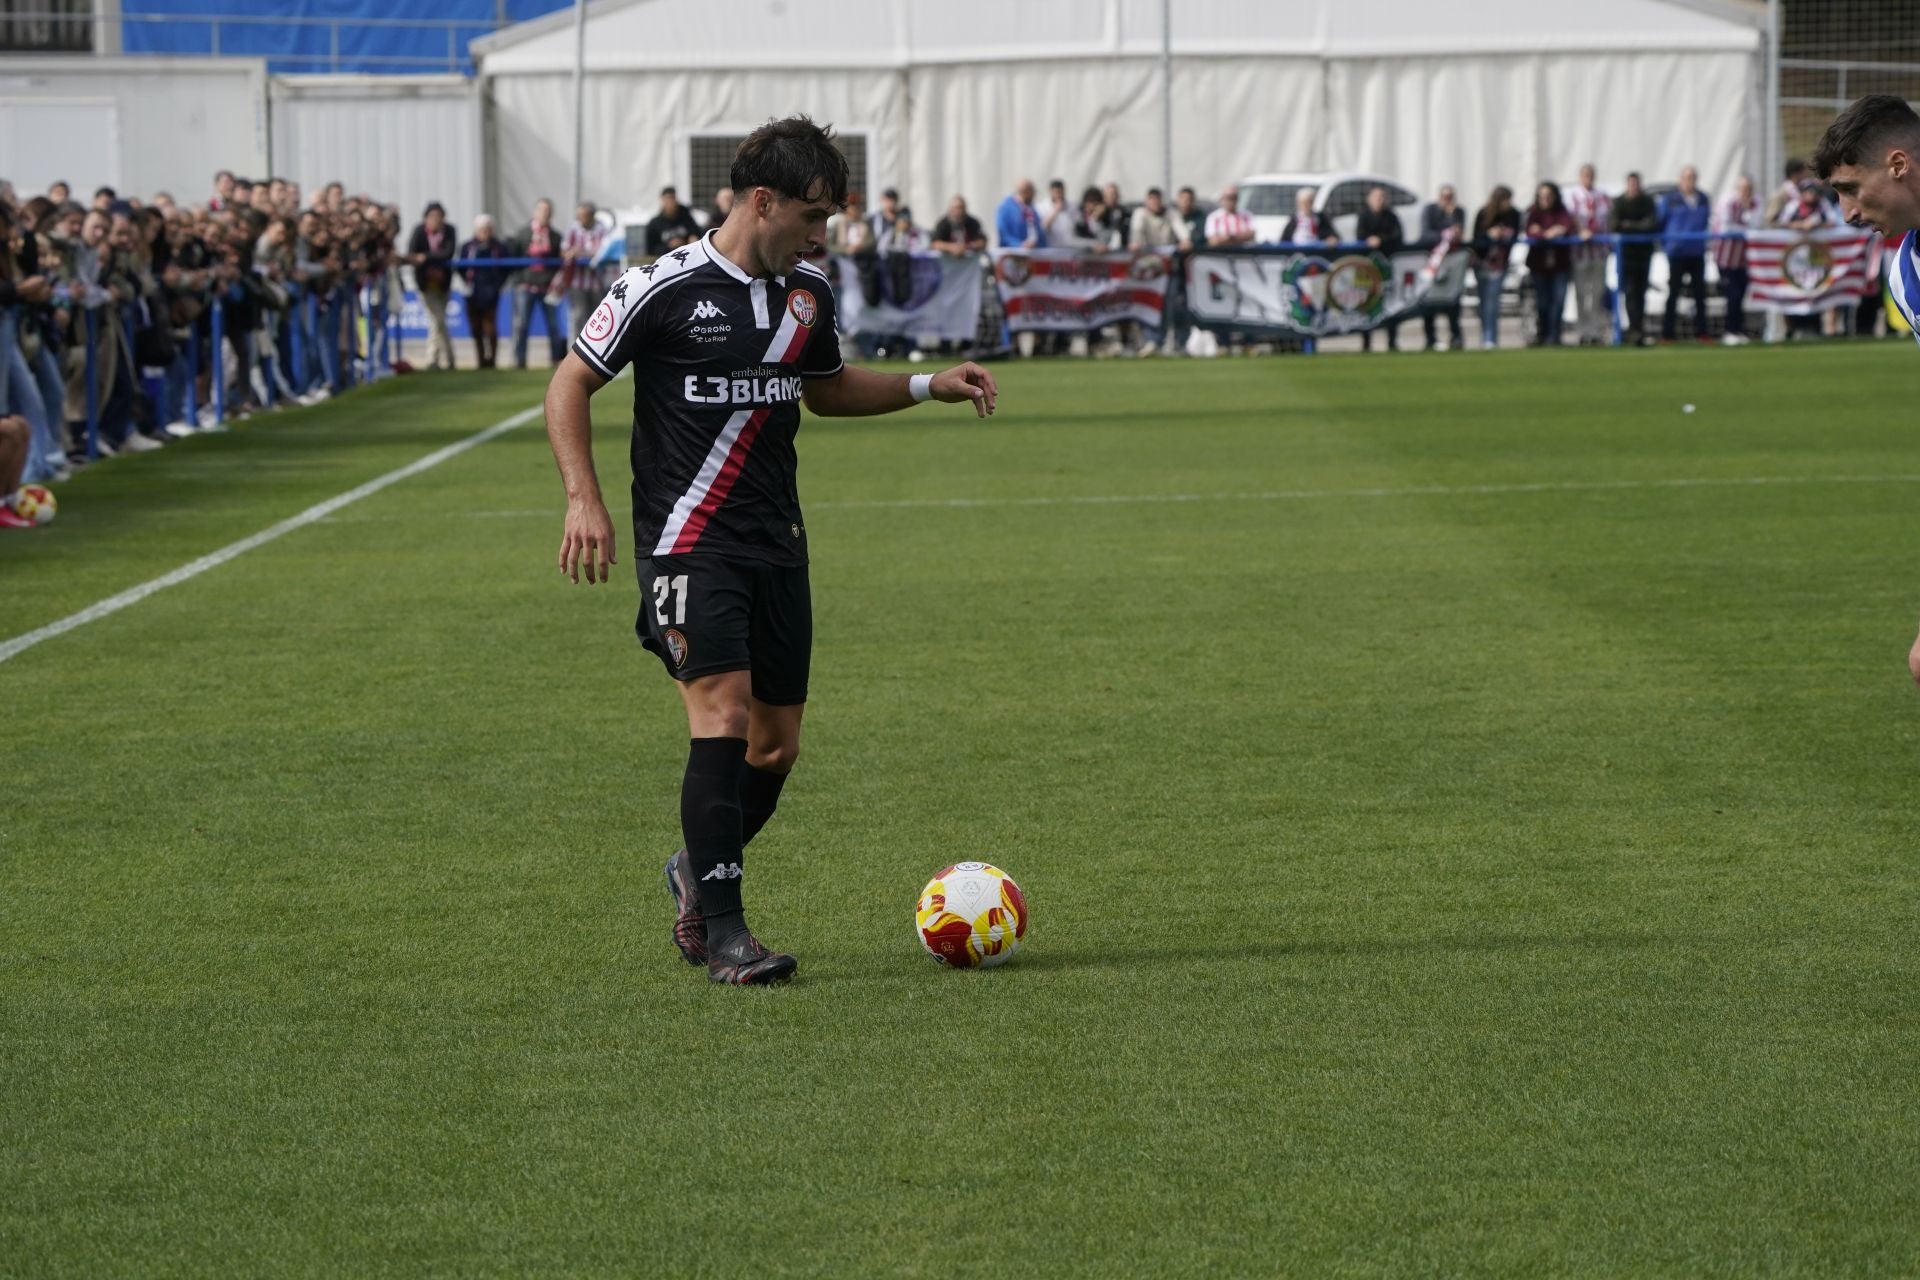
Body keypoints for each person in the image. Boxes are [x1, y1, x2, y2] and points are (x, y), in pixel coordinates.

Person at [543, 115, 1000, 986]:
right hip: (686, 540)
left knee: (774, 747)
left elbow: (825, 389)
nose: (822, 235)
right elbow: (571, 381)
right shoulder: (659, 286)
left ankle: (695, 869)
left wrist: (924, 384)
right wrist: (582, 498)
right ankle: (725, 935)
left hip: (777, 542)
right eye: (812, 216)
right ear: (763, 200)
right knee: (721, 713)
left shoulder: (808, 294)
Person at [511, 197, 565, 368]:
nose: (544, 214)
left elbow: (560, 262)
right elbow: (513, 260)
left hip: (548, 287)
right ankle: (519, 361)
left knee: (553, 325)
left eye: (547, 211)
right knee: (521, 325)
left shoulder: (556, 237)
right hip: (525, 287)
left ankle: (555, 360)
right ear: (535, 212)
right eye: (542, 210)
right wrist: (519, 281)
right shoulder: (522, 234)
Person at [1659, 166, 1712, 341]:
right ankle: (1668, 333)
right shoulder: (1670, 199)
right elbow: (1660, 222)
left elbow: (1706, 221)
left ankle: (1702, 332)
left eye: (1692, 177)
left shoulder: (1703, 198)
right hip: (1677, 253)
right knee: (1673, 293)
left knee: (1700, 294)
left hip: (1696, 252)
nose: (1690, 181)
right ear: (1680, 180)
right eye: (1687, 177)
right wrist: (1669, 245)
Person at [1563, 164, 1613, 345]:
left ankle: (1596, 331)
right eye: (1584, 175)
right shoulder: (1571, 195)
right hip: (1580, 253)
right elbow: (1570, 217)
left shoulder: (1603, 196)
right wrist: (1581, 230)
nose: (1588, 178)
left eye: (1590, 175)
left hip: (1599, 252)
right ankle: (1583, 331)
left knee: (1597, 293)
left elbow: (1609, 219)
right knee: (1581, 293)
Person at [458, 214, 514, 369]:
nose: (485, 232)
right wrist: (468, 282)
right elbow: (461, 267)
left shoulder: (499, 247)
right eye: (482, 229)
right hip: (473, 291)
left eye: (488, 229)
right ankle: (480, 359)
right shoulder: (468, 247)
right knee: (476, 327)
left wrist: (497, 284)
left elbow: (506, 268)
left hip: (491, 290)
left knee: (490, 327)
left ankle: (493, 359)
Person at [1469, 186, 1521, 350]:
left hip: (1500, 264)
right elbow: (1475, 239)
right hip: (1481, 263)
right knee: (1483, 301)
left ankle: (1490, 338)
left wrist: (1504, 234)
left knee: (1492, 300)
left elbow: (1515, 236)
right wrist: (1489, 235)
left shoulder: (1514, 214)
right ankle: (1486, 335)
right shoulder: (1484, 213)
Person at [1524, 181, 1575, 346]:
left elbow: (1567, 228)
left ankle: (1554, 335)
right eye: (1542, 196)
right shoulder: (1533, 212)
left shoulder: (1562, 211)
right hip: (1539, 265)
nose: (1545, 199)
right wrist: (1547, 233)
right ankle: (1543, 334)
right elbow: (1530, 232)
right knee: (1542, 302)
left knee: (1558, 301)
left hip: (1560, 265)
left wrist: (1547, 232)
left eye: (1548, 196)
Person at [408, 201, 456, 370]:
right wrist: (425, 258)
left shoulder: (449, 231)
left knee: (439, 322)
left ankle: (448, 359)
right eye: (432, 216)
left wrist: (426, 257)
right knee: (437, 320)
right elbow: (412, 254)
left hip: (443, 284)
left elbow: (447, 253)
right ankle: (435, 359)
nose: (435, 220)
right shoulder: (419, 231)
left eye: (438, 216)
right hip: (426, 284)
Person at [1613, 172, 1659, 346]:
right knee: (1630, 293)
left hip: (1643, 254)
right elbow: (1615, 225)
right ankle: (1633, 330)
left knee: (1641, 293)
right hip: (1626, 255)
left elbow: (1652, 224)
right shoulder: (1619, 202)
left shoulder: (1648, 202)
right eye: (1631, 183)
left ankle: (1638, 329)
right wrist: (1639, 226)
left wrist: (1628, 225)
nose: (1633, 187)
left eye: (1636, 184)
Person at [1356, 185, 1404, 352]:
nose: (1380, 200)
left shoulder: (1391, 216)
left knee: (1390, 302)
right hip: (1367, 268)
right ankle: (1366, 342)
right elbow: (1360, 237)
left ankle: (1392, 341)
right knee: (1366, 303)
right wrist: (1369, 241)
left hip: (1387, 268)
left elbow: (1398, 236)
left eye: (1382, 197)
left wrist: (1381, 240)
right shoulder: (1363, 216)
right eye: (1377, 197)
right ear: (1369, 200)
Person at [1713, 175, 1759, 345]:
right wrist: (1746, 229)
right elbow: (1726, 228)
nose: (1746, 192)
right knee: (1732, 295)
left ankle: (1738, 330)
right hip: (1726, 257)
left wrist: (1747, 213)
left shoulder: (1755, 202)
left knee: (1740, 296)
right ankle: (1729, 331)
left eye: (1748, 189)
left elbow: (1756, 224)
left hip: (1744, 259)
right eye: (1743, 188)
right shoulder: (1727, 201)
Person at [1419, 184, 1466, 350]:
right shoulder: (1430, 211)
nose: (1448, 201)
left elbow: (1459, 234)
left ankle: (1456, 337)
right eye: (1445, 197)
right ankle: (1430, 339)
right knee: (1428, 302)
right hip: (1432, 262)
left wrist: (1452, 216)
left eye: (1450, 197)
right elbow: (1425, 235)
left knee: (1453, 301)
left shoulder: (1458, 212)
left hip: (1452, 263)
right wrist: (1443, 234)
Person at [562, 201, 610, 343]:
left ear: (592, 216)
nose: (581, 219)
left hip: (597, 282)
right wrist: (574, 253)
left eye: (584, 216)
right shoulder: (573, 229)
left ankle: (596, 347)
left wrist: (581, 253)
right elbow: (564, 251)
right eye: (579, 216)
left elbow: (604, 251)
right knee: (578, 315)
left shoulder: (602, 229)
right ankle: (575, 348)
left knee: (597, 316)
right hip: (577, 281)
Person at [643, 186, 699, 257]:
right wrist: (668, 246)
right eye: (667, 199)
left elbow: (697, 233)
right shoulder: (655, 224)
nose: (670, 202)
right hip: (666, 258)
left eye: (672, 198)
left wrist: (692, 238)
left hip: (687, 256)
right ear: (662, 200)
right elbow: (650, 250)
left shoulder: (686, 217)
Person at [996, 180, 1044, 249]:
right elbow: (1004, 234)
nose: (1034, 196)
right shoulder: (1006, 208)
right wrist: (1020, 244)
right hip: (1013, 252)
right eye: (1032, 193)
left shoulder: (1031, 208)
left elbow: (1038, 231)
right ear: (1025, 192)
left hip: (1033, 252)